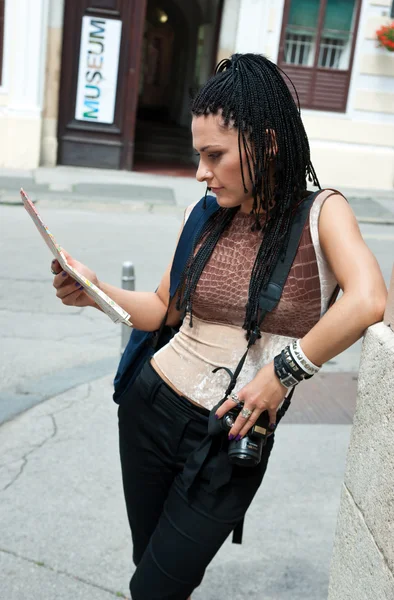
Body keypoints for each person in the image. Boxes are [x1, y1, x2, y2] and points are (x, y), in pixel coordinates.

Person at [51, 54, 387, 600]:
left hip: (235, 434)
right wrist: (94, 291)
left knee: (157, 587)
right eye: (198, 156)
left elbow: (370, 299)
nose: (201, 172)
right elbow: (162, 308)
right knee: (151, 567)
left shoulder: (321, 213)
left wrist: (285, 371)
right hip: (150, 408)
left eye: (214, 156)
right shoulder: (202, 214)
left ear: (267, 144)